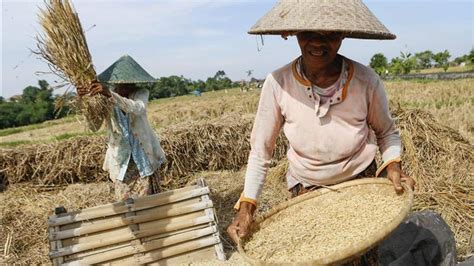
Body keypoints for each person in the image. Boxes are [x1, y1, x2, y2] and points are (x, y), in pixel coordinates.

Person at [227, 0, 416, 263]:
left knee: (362, 257)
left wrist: (393, 166)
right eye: (308, 33)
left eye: (331, 34)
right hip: (307, 191)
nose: (318, 42)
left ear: (343, 35)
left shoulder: (365, 80)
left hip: (360, 185)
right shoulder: (277, 84)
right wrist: (246, 206)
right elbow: (260, 153)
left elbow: (387, 132)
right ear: (292, 33)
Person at [77, 55, 165, 201]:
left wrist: (111, 95)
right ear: (116, 82)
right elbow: (93, 126)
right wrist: (84, 101)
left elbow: (138, 108)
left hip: (143, 158)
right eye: (124, 84)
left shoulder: (140, 93)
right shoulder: (103, 97)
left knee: (147, 202)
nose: (127, 87)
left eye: (130, 83)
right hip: (120, 160)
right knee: (125, 204)